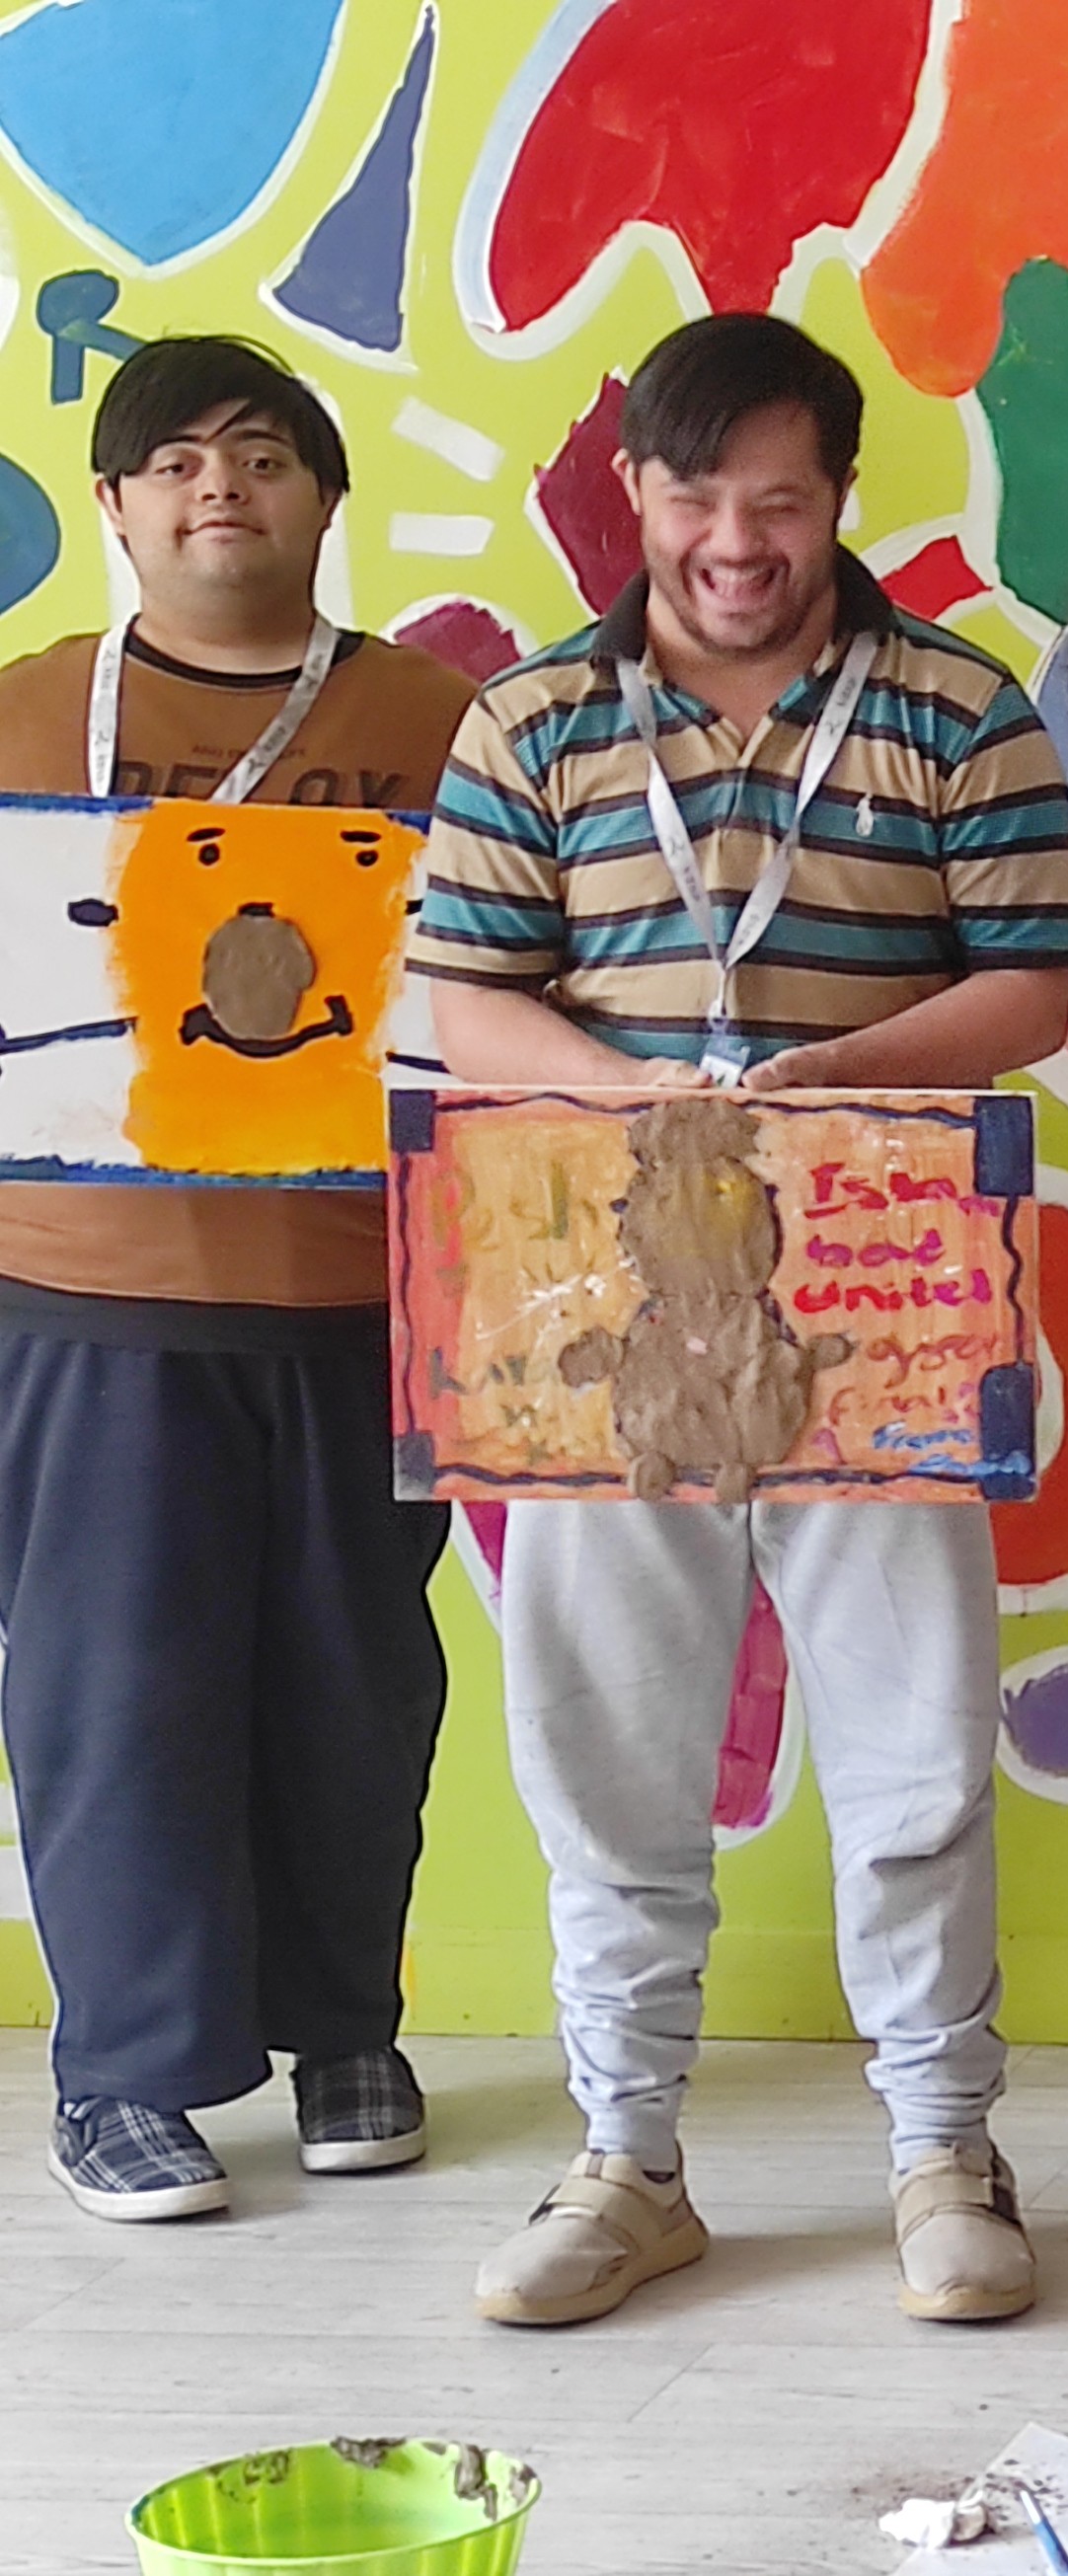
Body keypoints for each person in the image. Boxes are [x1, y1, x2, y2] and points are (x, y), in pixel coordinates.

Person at [409, 312, 1068, 2327]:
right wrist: (642, 1103)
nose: (736, 537)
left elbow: (1032, 986)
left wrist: (813, 1091)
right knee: (603, 1743)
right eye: (698, 493)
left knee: (914, 1744)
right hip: (593, 1292)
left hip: (877, 1273)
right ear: (636, 493)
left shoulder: (959, 709)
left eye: (778, 497)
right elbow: (467, 997)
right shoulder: (530, 722)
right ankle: (628, 2159)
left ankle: (941, 2153)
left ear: (838, 498)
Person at [0, 336, 479, 2222]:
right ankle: (124, 2066)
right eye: (176, 459)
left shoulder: (443, 721)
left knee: (360, 1687)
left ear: (324, 500)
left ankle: (347, 2019)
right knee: (119, 1690)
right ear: (115, 507)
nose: (222, 487)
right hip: (82, 1285)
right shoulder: (24, 717)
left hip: (366, 1288)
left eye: (264, 453)